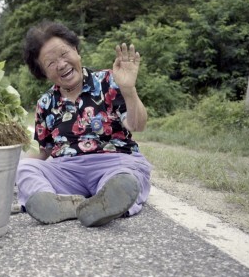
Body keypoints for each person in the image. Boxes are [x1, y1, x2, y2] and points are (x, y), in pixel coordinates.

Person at [16, 20, 152, 227]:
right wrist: (14, 171)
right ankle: (62, 204)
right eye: (51, 63)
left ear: (76, 50)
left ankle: (106, 202)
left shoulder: (109, 81)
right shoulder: (45, 103)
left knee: (125, 178)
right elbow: (42, 151)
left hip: (115, 163)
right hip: (68, 172)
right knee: (24, 168)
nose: (61, 65)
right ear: (43, 73)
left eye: (64, 54)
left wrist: (129, 89)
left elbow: (137, 125)